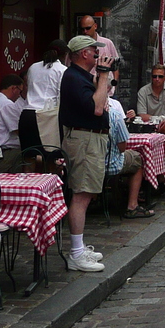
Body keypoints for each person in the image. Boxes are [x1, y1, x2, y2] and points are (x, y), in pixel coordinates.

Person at [58, 34, 114, 272]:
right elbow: (98, 108)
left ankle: (79, 248)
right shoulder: (73, 77)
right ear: (84, 54)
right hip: (84, 140)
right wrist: (102, 75)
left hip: (89, 139)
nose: (97, 54)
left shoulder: (79, 76)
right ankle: (76, 253)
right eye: (94, 50)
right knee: (81, 194)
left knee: (87, 192)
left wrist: (101, 78)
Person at [104, 78, 152, 219]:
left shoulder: (80, 110)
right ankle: (132, 205)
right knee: (137, 159)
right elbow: (122, 146)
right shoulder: (114, 114)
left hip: (84, 163)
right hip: (108, 165)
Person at [20, 39, 68, 151]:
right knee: (51, 158)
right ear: (65, 55)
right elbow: (61, 96)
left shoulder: (33, 67)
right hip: (47, 117)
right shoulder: (62, 70)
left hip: (27, 115)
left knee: (28, 158)